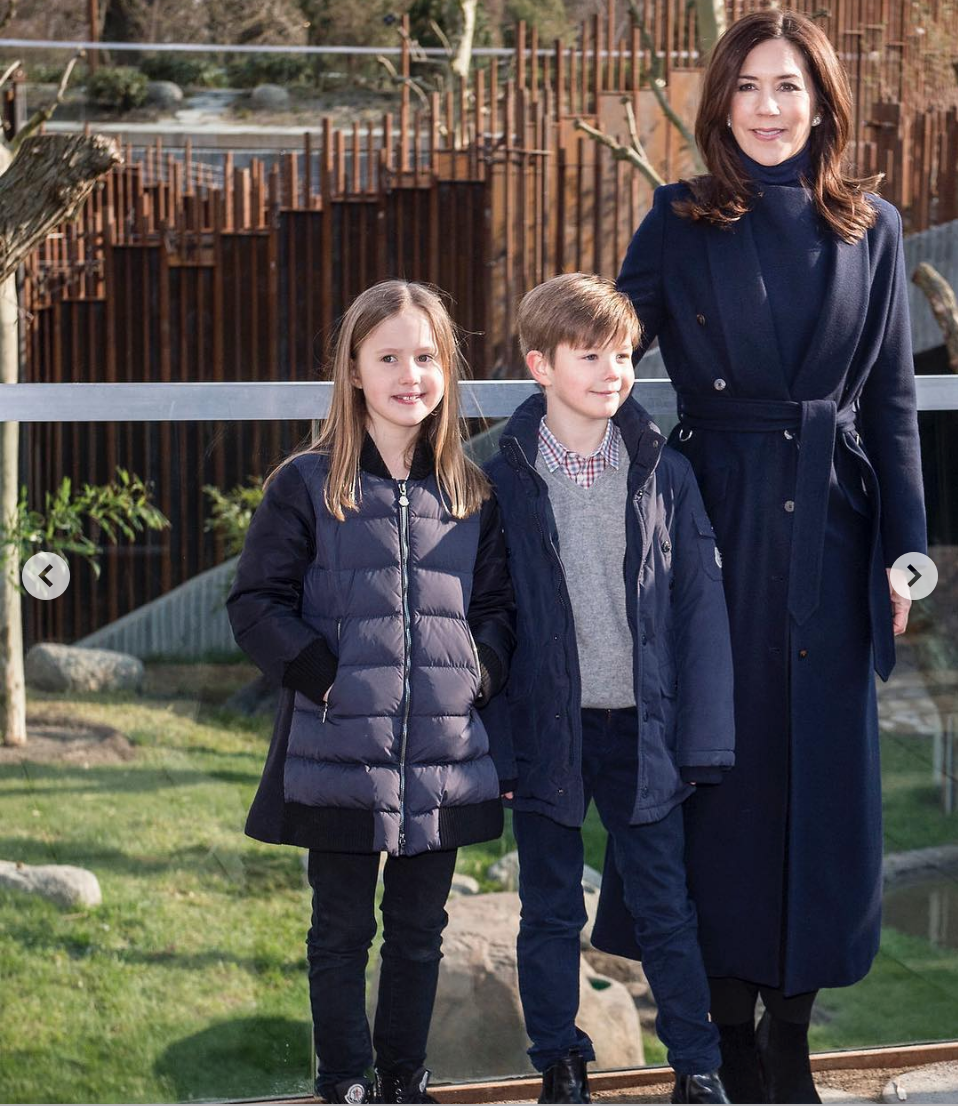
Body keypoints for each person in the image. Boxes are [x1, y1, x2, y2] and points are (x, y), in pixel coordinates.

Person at [616, 10, 927, 1103]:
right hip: (713, 528)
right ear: (719, 104)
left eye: (787, 85)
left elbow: (887, 401)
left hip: (836, 536)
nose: (766, 105)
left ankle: (791, 1033)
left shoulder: (873, 227)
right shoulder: (677, 218)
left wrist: (904, 555)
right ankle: (727, 1032)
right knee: (722, 775)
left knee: (825, 784)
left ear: (821, 101)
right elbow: (610, 355)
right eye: (746, 85)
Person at [226, 280, 515, 1105]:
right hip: (337, 751)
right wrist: (325, 676)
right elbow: (255, 605)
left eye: (426, 356)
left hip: (443, 755)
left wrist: (479, 673)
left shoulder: (471, 491)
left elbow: (500, 610)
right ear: (353, 370)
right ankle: (345, 1083)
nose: (409, 374)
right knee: (342, 930)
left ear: (447, 370)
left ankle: (404, 1080)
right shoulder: (307, 484)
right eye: (388, 356)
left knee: (421, 933)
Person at [481, 272, 735, 1105]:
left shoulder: (665, 472)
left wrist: (700, 736)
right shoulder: (501, 479)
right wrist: (502, 743)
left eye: (622, 355)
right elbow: (489, 619)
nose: (611, 371)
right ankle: (560, 1062)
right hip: (549, 727)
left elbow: (697, 608)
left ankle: (697, 1066)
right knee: (550, 909)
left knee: (666, 905)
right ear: (539, 366)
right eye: (589, 355)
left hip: (642, 727)